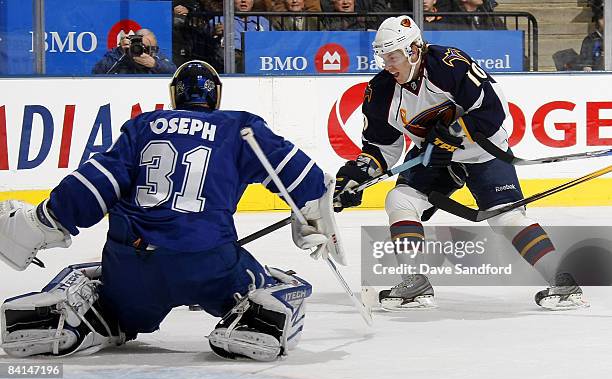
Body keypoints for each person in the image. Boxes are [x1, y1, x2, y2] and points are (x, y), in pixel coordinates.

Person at [0, 60, 344, 361]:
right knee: (269, 282)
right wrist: (312, 220)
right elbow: (306, 180)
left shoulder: (142, 126)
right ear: (216, 96)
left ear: (174, 94)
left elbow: (96, 182)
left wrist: (46, 219)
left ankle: (88, 317)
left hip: (132, 266)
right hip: (209, 263)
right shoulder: (239, 128)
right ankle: (257, 321)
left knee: (103, 288)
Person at [333, 16, 588, 312]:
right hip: (433, 158)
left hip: (483, 153)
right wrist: (356, 176)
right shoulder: (380, 92)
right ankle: (414, 282)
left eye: (394, 57)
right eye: (383, 57)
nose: (388, 65)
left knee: (506, 218)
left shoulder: (448, 65)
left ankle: (564, 284)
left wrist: (453, 134)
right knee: (400, 199)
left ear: (414, 50)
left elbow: (493, 109)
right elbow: (381, 147)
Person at [92, 29, 176, 75]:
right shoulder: (121, 53)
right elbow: (97, 72)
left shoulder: (156, 55)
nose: (143, 50)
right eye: (140, 46)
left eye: (148, 47)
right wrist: (120, 52)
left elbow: (173, 72)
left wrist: (154, 64)